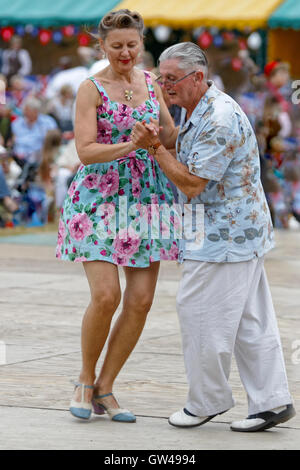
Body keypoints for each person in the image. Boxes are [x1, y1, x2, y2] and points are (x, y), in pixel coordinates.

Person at [131, 42, 296, 433]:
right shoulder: (199, 107)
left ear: (198, 77)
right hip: (237, 232)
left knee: (199, 314)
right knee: (250, 323)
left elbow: (191, 183)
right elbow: (185, 155)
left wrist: (153, 146)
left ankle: (206, 401)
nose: (165, 86)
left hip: (224, 237)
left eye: (172, 79)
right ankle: (272, 402)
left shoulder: (218, 117)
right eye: (161, 78)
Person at [56, 9, 178, 422]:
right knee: (106, 296)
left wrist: (174, 131)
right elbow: (85, 152)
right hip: (98, 198)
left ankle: (106, 388)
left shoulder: (150, 82)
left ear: (141, 43)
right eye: (116, 46)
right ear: (102, 47)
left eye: (132, 44)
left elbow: (169, 133)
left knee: (141, 301)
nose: (125, 53)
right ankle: (85, 379)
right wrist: (132, 144)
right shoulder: (90, 89)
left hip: (149, 198)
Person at [11, 96, 58, 166]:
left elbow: (56, 139)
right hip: (20, 160)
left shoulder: (48, 122)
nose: (26, 113)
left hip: (41, 158)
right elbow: (13, 142)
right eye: (25, 111)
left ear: (36, 111)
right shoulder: (17, 124)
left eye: (29, 111)